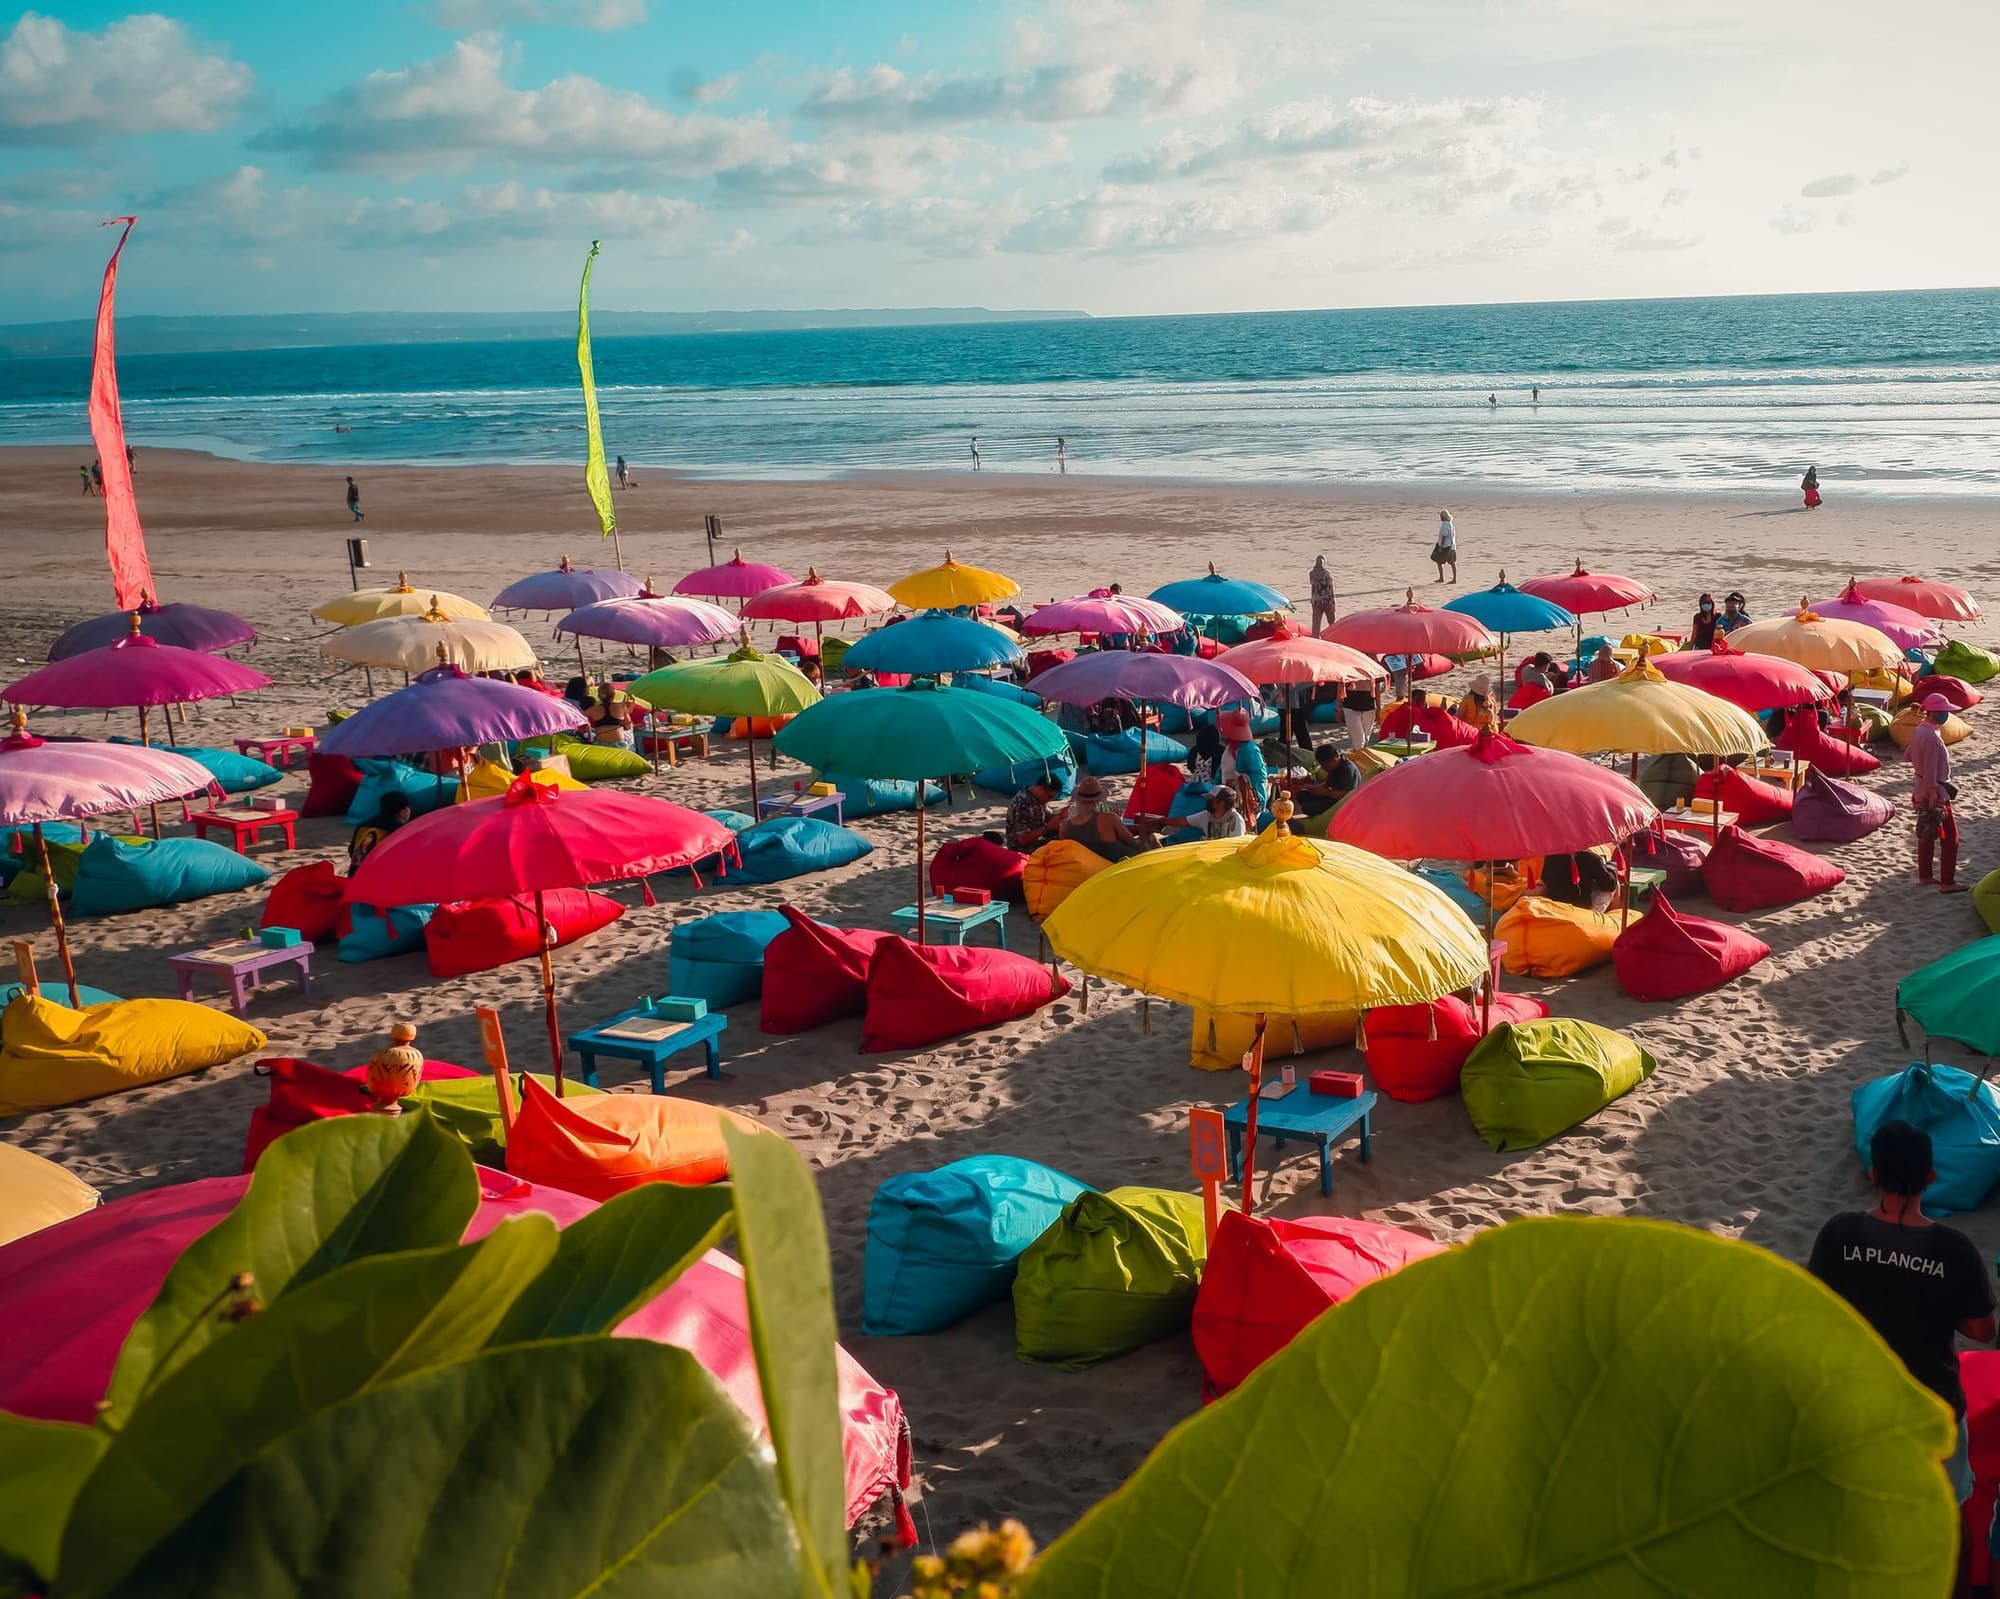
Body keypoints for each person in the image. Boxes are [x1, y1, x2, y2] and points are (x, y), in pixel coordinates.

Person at [1810, 1119, 1996, 1504]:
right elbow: (1982, 1331)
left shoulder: (1839, 1233)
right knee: (1947, 1515)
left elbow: (1815, 1307)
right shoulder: (1953, 1249)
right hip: (1932, 1407)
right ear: (1931, 1175)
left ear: (1874, 1173)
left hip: (1858, 1405)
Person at [1909, 692, 1964, 892]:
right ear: (1932, 712)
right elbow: (1931, 770)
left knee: (1926, 831)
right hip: (1935, 791)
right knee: (1950, 837)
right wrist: (1933, 796)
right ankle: (1948, 882)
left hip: (1920, 786)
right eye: (1942, 711)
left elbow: (1908, 755)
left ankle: (1925, 876)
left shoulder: (1920, 730)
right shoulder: (1932, 736)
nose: (1945, 715)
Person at [1060, 776, 1147, 862]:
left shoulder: (1065, 826)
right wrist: (1118, 821)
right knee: (1149, 839)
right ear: (1099, 800)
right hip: (1118, 863)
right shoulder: (1109, 818)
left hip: (1089, 867)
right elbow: (1131, 841)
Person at [1217, 707, 1269, 818]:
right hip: (1228, 793)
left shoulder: (1248, 750)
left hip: (1244, 799)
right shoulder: (1231, 746)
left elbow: (1259, 778)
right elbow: (1222, 770)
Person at [349, 790, 411, 870]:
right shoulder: (400, 830)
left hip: (355, 874)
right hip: (379, 876)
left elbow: (351, 851)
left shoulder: (363, 825)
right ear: (402, 812)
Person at [1292, 745, 1359, 816]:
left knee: (1307, 808)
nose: (1323, 768)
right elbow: (1326, 784)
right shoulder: (1334, 766)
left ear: (1334, 759)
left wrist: (1326, 793)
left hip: (1343, 803)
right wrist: (1309, 788)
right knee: (1301, 794)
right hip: (1331, 795)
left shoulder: (1347, 770)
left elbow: (1346, 795)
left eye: (1325, 766)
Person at [1005, 776, 1063, 852]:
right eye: (1049, 797)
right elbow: (1022, 839)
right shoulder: (1023, 806)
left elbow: (1046, 815)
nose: (1050, 800)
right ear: (1040, 789)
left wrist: (1060, 816)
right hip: (1023, 849)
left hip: (1036, 840)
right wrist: (1048, 827)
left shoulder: (1037, 798)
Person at [1341, 675, 1379, 752]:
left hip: (1369, 705)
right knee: (1358, 740)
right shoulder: (1347, 668)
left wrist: (1379, 709)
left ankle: (1361, 758)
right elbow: (1340, 687)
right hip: (1350, 705)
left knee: (1366, 737)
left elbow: (1377, 690)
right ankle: (1358, 758)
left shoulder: (1372, 669)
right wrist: (1338, 709)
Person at [1308, 555, 1336, 634]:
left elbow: (1313, 585)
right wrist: (1333, 602)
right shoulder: (1327, 574)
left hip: (1316, 601)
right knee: (1331, 622)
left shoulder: (1312, 574)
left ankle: (1315, 638)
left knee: (1316, 623)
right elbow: (1330, 589)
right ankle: (1332, 636)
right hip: (1327, 601)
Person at [1430, 510, 1457, 584]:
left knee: (1438, 561)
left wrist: (1441, 546)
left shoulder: (1445, 524)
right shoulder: (1451, 523)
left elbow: (1444, 536)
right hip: (1452, 545)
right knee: (1452, 563)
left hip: (1445, 546)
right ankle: (1454, 579)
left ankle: (1441, 578)